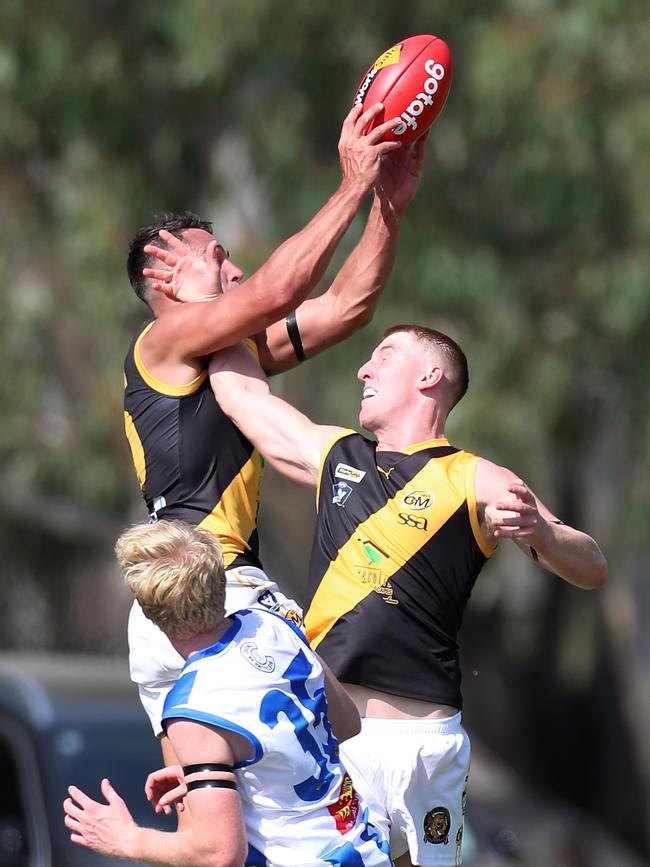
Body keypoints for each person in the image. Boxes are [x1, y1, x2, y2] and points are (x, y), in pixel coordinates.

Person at [208, 324, 608, 867]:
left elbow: (591, 567)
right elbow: (242, 397)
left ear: (429, 376)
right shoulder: (336, 455)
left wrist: (540, 529)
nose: (363, 370)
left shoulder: (474, 479)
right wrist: (210, 312)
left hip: (426, 749)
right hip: (337, 741)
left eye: (384, 356)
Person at [123, 102, 427, 754]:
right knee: (342, 758)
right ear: (164, 276)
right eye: (217, 258)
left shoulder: (232, 352)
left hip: (176, 604)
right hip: (213, 587)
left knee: (221, 821)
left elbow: (347, 306)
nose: (233, 270)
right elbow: (275, 290)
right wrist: (352, 183)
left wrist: (387, 205)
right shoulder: (165, 340)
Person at [64, 519, 392, 867]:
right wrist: (217, 771)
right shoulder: (272, 625)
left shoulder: (192, 707)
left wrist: (128, 839)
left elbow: (220, 854)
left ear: (150, 614)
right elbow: (344, 724)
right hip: (365, 850)